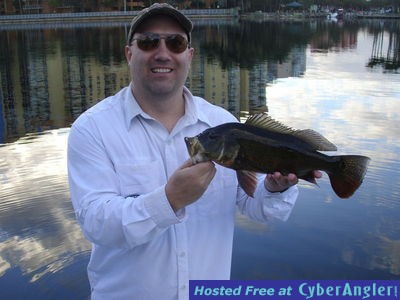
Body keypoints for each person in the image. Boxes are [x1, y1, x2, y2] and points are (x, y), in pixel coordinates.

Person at [67, 3, 320, 300]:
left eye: (175, 42)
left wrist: (275, 189)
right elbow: (98, 224)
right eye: (148, 42)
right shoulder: (92, 128)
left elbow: (257, 208)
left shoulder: (221, 124)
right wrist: (168, 200)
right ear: (129, 53)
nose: (162, 53)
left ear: (189, 55)